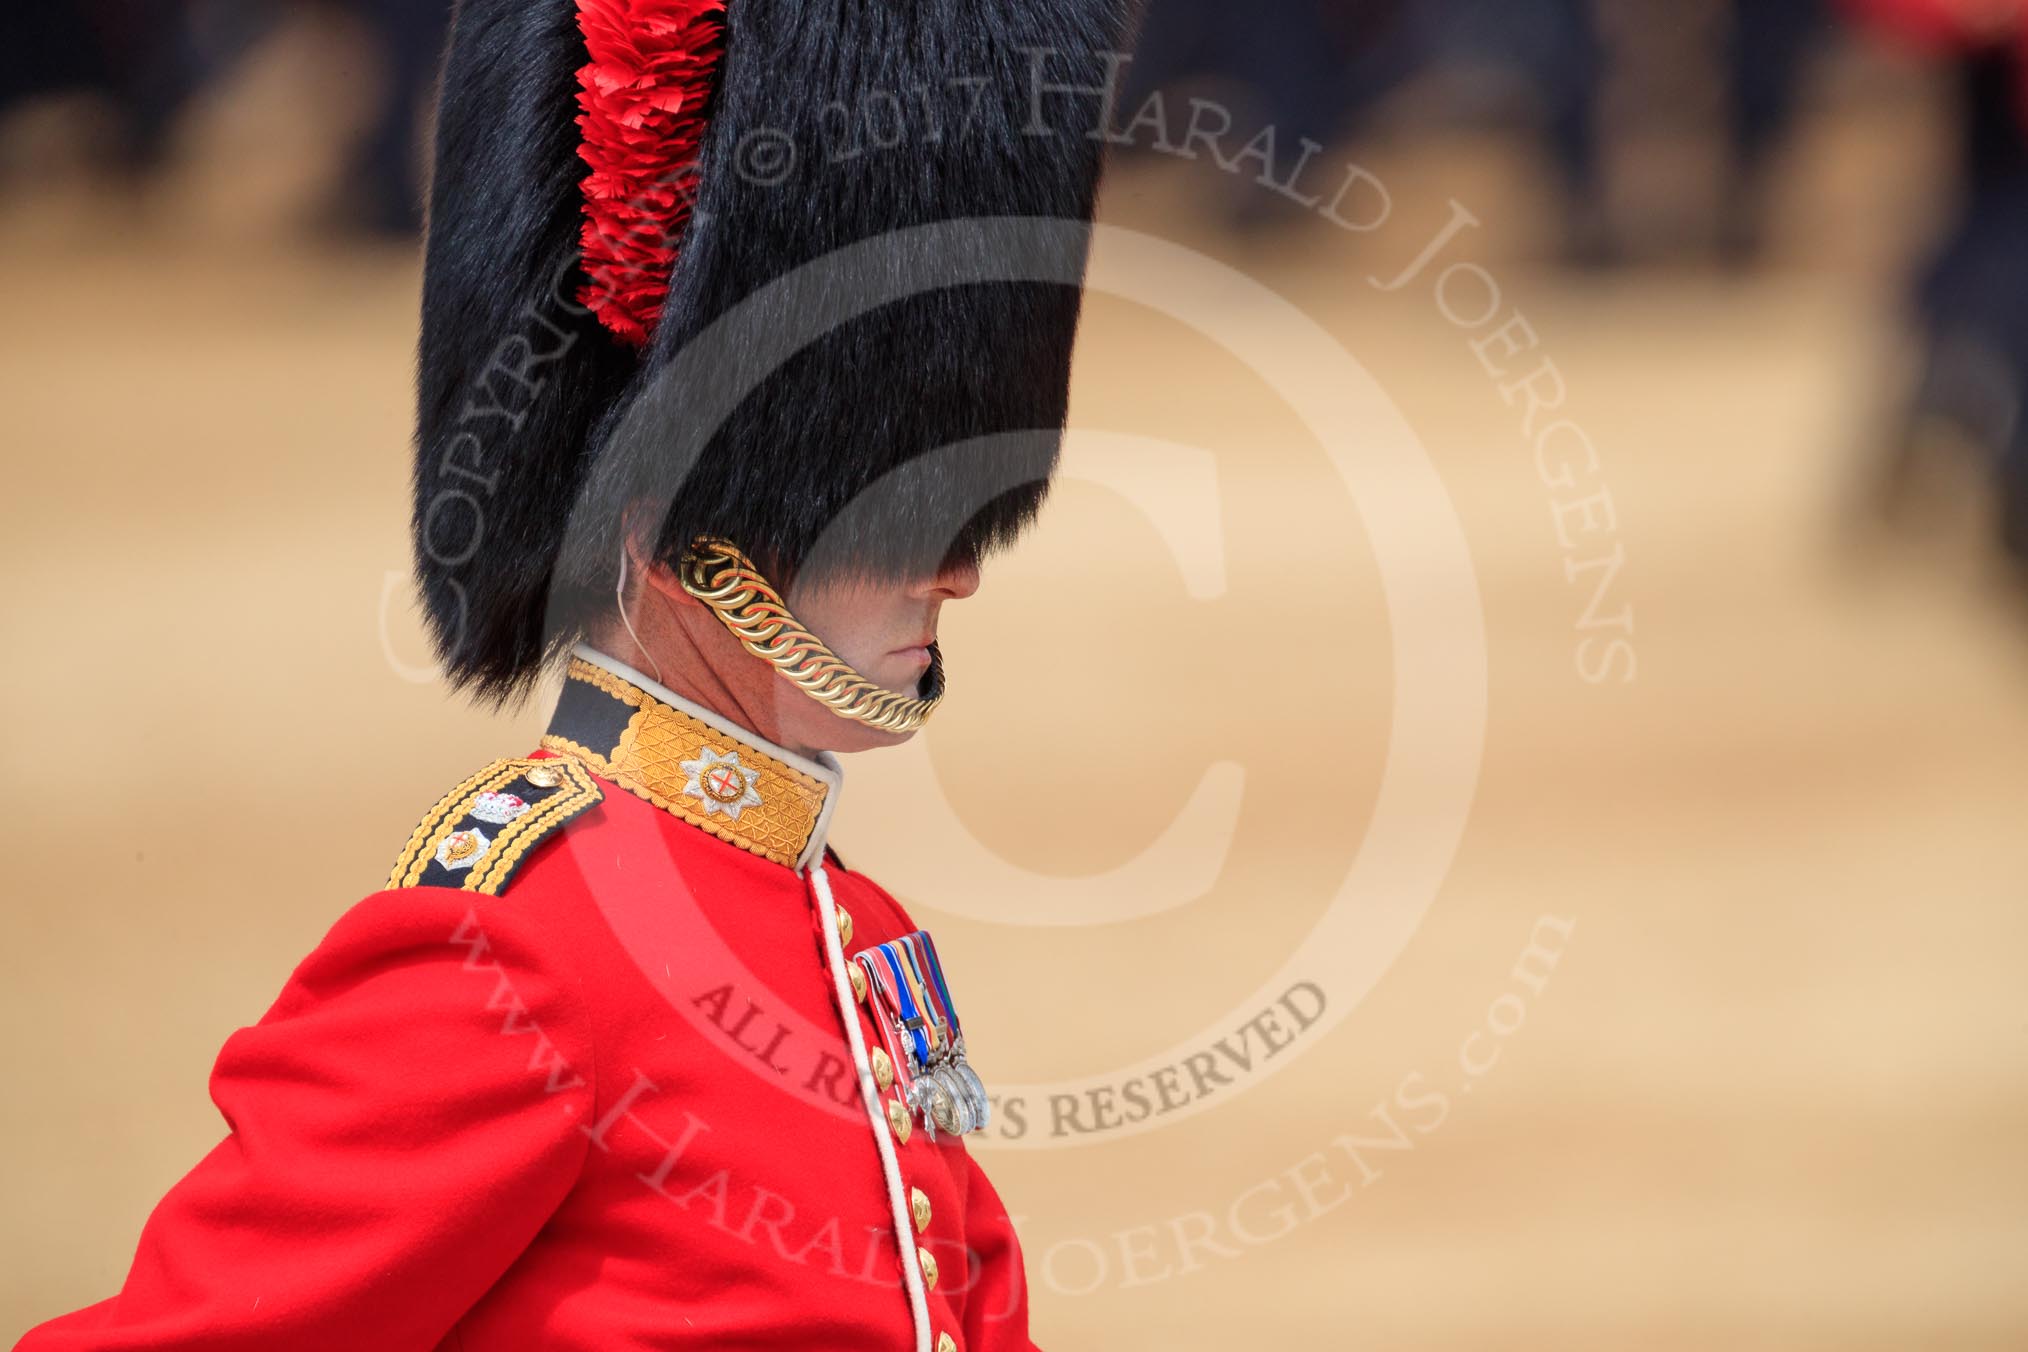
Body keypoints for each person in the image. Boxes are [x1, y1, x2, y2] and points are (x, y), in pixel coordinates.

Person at [12, 0, 1138, 1347]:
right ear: (674, 528)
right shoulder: (516, 944)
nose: (955, 572)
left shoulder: (862, 935)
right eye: (883, 516)